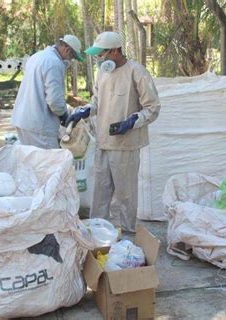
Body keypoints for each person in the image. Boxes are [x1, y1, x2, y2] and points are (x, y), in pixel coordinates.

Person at [66, 32, 160, 233]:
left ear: (116, 50)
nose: (99, 59)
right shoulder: (103, 73)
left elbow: (152, 107)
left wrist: (133, 121)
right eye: (98, 55)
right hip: (103, 141)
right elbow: (97, 102)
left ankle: (128, 233)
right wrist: (85, 110)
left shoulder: (137, 72)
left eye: (102, 54)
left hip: (125, 144)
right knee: (100, 192)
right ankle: (96, 230)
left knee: (126, 194)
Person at [11, 35, 84, 149]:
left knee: (29, 163)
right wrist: (64, 116)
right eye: (72, 57)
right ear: (67, 49)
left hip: (23, 120)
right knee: (47, 164)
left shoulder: (38, 56)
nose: (70, 60)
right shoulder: (54, 63)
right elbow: (54, 101)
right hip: (40, 126)